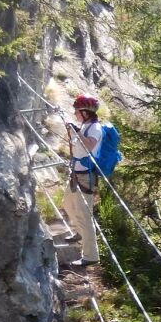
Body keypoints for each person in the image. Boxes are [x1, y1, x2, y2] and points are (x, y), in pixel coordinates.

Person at [62, 94, 103, 265]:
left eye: (77, 111)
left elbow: (88, 146)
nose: (75, 113)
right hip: (77, 172)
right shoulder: (85, 125)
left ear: (85, 112)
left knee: (85, 215)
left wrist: (76, 132)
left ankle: (90, 256)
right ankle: (79, 233)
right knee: (68, 204)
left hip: (86, 176)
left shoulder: (94, 128)